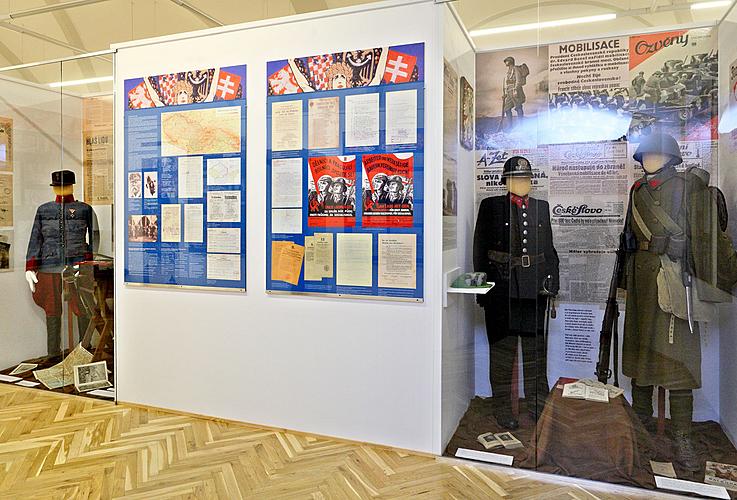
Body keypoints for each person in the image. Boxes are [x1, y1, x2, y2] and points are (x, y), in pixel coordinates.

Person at [619, 132, 737, 470]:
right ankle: (640, 431)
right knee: (641, 356)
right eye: (646, 155)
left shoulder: (689, 188)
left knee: (679, 360)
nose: (650, 160)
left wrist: (680, 249)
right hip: (642, 280)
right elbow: (630, 234)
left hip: (673, 280)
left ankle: (682, 436)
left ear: (671, 158)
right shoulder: (637, 191)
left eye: (656, 155)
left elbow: (704, 237)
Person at [473, 156, 559, 429]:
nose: (520, 184)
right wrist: (483, 290)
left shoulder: (541, 208)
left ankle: (537, 405)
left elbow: (549, 249)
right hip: (501, 289)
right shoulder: (491, 206)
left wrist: (552, 280)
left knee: (535, 352)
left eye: (525, 179)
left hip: (534, 289)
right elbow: (479, 249)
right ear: (506, 181)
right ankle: (503, 409)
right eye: (515, 179)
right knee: (502, 353)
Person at [25, 170, 95, 357]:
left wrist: (87, 262)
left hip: (78, 267)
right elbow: (36, 238)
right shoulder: (43, 210)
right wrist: (30, 267)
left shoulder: (85, 209)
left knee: (82, 307)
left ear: (72, 185)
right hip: (49, 266)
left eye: (64, 185)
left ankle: (84, 353)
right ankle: (53, 354)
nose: (61, 189)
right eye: (58, 186)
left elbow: (94, 237)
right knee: (52, 308)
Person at [499, 56, 526, 130]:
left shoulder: (515, 69)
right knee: (507, 108)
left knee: (518, 107)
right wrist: (505, 94)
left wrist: (516, 90)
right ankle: (510, 126)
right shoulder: (509, 71)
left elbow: (518, 80)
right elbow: (507, 83)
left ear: (510, 61)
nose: (506, 63)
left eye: (507, 61)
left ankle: (521, 126)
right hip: (509, 91)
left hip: (515, 90)